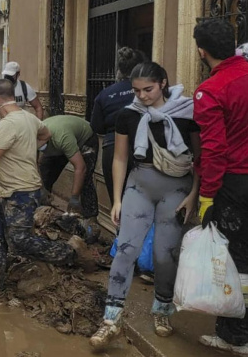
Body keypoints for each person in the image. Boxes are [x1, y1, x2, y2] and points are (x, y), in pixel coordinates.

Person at [89, 62, 200, 350]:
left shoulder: (188, 114)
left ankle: (162, 311)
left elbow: (199, 159)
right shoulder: (128, 115)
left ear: (163, 83)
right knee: (125, 250)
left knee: (166, 256)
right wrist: (117, 198)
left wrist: (194, 195)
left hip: (177, 189)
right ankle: (110, 319)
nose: (142, 96)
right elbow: (120, 158)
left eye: (148, 89)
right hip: (139, 184)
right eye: (136, 90)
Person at [0, 79, 92, 301]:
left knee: (19, 240)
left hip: (21, 191)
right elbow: (45, 135)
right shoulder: (30, 118)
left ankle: (71, 252)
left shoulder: (7, 124)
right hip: (5, 189)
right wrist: (27, 148)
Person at [192, 19, 248, 354]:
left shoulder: (211, 90)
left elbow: (214, 150)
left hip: (234, 184)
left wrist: (207, 195)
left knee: (235, 258)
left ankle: (235, 335)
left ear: (202, 50)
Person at [90, 47, 147, 204]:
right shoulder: (147, 91)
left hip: (113, 148)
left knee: (118, 202)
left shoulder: (105, 94)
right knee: (143, 203)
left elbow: (96, 127)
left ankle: (121, 228)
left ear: (119, 70)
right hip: (143, 148)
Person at [40, 115, 100, 220]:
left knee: (84, 179)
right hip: (59, 139)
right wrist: (42, 187)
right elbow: (34, 163)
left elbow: (80, 168)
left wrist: (74, 198)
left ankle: (89, 218)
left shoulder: (62, 138)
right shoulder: (33, 136)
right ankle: (42, 211)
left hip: (85, 139)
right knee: (45, 172)